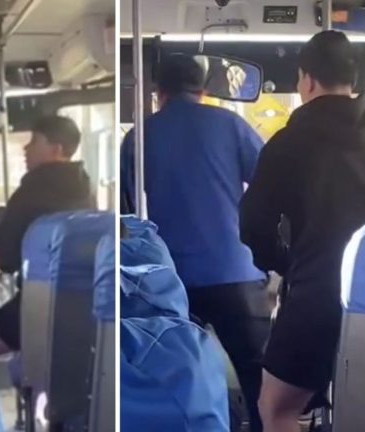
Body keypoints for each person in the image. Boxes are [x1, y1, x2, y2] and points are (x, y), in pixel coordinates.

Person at [122, 54, 269, 432]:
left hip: (169, 284)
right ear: (202, 90)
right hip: (235, 270)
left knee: (182, 385)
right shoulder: (230, 125)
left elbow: (128, 218)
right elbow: (270, 184)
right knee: (259, 381)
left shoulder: (138, 138)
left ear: (159, 93)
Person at [240, 30, 365, 432]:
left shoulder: (287, 143)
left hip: (317, 293)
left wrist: (286, 264)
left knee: (276, 406)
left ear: (308, 80)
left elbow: (253, 224)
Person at [0, 115, 94, 352]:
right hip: (85, 302)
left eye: (35, 142)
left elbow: (5, 258)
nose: (26, 149)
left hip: (39, 302)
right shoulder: (86, 191)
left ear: (56, 150)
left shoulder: (30, 192)